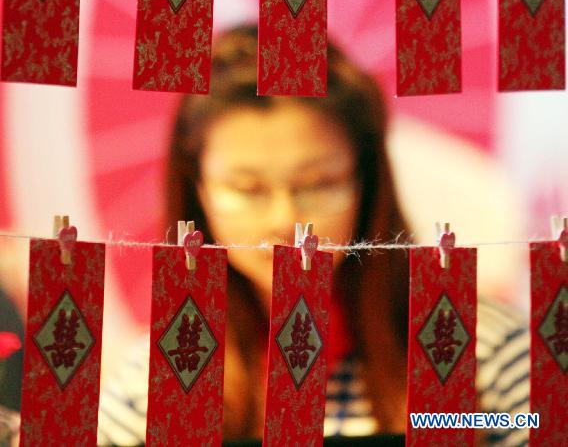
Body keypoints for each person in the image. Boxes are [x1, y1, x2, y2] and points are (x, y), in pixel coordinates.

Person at [98, 25, 530, 446]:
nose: (284, 219)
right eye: (247, 189)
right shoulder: (156, 374)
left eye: (319, 184)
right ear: (198, 190)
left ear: (367, 182)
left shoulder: (483, 349)